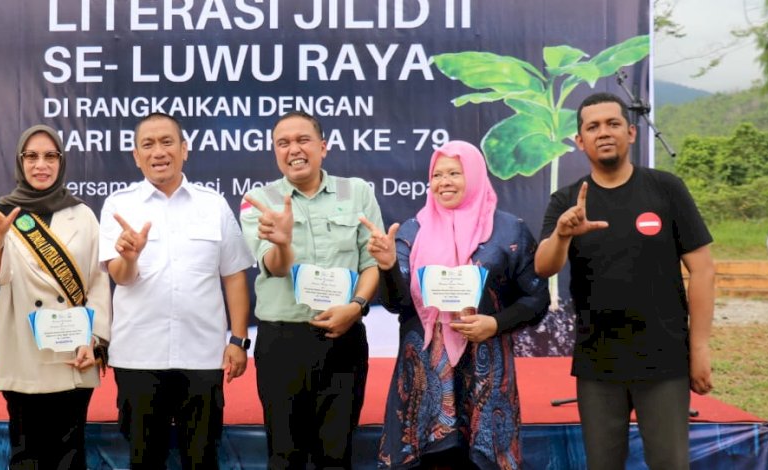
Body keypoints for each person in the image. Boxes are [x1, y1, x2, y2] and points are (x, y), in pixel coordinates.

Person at [533, 92, 715, 470]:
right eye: (592, 127)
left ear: (631, 133)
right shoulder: (567, 201)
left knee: (670, 463)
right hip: (597, 364)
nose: (604, 133)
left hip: (664, 360)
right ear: (580, 141)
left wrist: (699, 349)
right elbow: (543, 267)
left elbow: (703, 270)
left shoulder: (666, 189)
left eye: (613, 124)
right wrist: (563, 234)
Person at [365, 141, 550, 469]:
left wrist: (494, 323)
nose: (444, 181)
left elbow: (536, 299)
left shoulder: (508, 230)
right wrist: (388, 266)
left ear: (476, 176)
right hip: (423, 379)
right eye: (437, 174)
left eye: (454, 173)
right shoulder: (413, 231)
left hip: (485, 376)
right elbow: (396, 303)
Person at [98, 112, 254, 469]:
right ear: (136, 156)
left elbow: (233, 275)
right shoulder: (119, 206)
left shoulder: (212, 204)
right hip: (139, 356)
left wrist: (239, 339)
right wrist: (129, 255)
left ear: (185, 149)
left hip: (202, 356)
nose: (158, 152)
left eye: (167, 142)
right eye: (148, 144)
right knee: (144, 459)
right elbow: (120, 277)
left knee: (201, 459)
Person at [239, 111, 382, 469]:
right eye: (283, 143)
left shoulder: (358, 191)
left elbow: (372, 262)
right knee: (286, 454)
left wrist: (358, 306)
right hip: (283, 341)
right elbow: (273, 266)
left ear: (323, 146)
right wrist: (284, 242)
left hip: (344, 335)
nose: (294, 149)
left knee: (336, 454)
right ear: (274, 151)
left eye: (303, 140)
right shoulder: (259, 200)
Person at [0, 125, 111, 469]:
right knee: (26, 457)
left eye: (50, 156)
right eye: (31, 156)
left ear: (61, 162)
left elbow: (97, 281)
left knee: (69, 456)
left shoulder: (83, 214)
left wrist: (94, 340)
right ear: (20, 162)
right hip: (24, 353)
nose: (40, 164)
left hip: (72, 353)